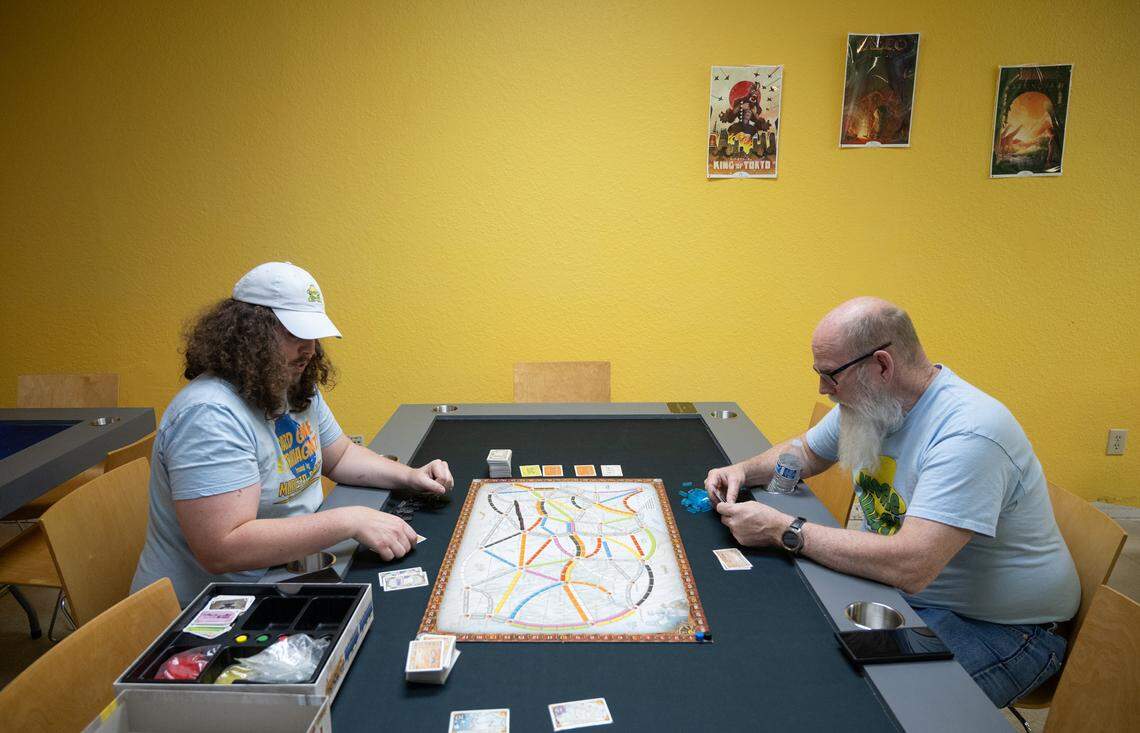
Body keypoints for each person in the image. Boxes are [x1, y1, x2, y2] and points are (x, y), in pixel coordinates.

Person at [705, 297, 1079, 707]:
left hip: (1003, 628)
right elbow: (805, 453)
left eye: (830, 375)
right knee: (793, 663)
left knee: (855, 706)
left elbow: (911, 565)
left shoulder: (970, 434)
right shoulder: (875, 403)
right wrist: (742, 470)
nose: (823, 389)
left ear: (882, 365)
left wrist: (785, 530)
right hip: (915, 598)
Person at [132, 262, 453, 604]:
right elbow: (223, 548)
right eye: (295, 335)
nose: (310, 350)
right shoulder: (208, 414)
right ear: (249, 335)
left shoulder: (289, 382)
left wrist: (410, 476)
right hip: (206, 608)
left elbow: (340, 456)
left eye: (313, 336)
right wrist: (350, 521)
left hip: (285, 573)